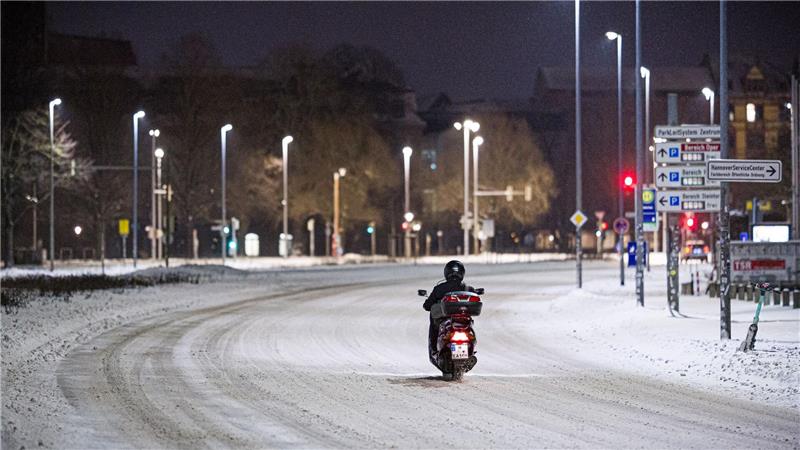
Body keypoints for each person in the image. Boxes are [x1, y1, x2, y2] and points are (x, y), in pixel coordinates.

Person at [423, 260, 476, 369]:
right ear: (462, 273)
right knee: (470, 325)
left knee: (434, 322)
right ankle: (470, 351)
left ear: (446, 273)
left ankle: (434, 348)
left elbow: (427, 306)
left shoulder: (439, 288)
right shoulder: (468, 288)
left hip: (446, 322)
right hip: (462, 323)